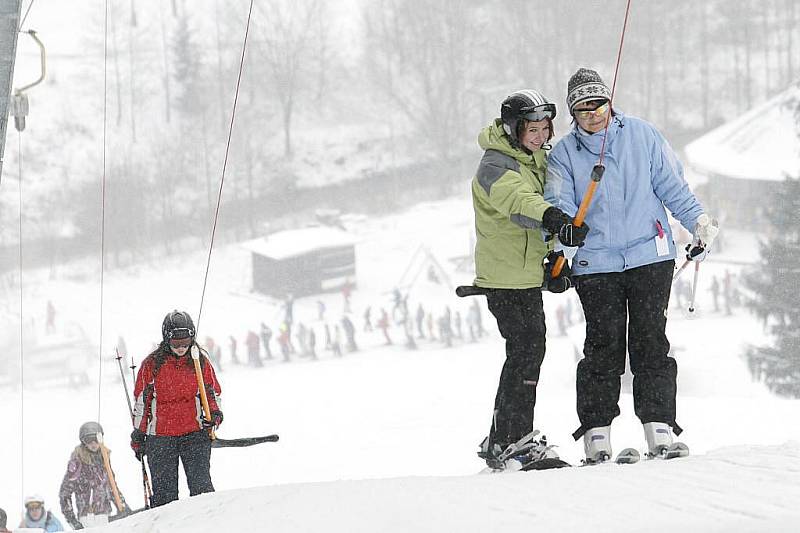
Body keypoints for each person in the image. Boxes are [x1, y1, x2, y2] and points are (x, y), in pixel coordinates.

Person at [546, 68, 718, 462]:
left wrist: (698, 222)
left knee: (650, 341)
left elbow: (671, 186)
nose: (593, 114)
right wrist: (562, 252)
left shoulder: (642, 134)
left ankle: (659, 427)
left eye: (598, 104)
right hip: (596, 263)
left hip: (649, 255)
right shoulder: (563, 154)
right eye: (583, 108)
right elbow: (560, 205)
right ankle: (597, 434)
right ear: (573, 114)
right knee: (603, 347)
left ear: (610, 102)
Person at [470, 90, 585, 470]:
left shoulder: (532, 158)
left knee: (526, 351)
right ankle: (512, 439)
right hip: (505, 278)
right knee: (526, 351)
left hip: (521, 275)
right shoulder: (495, 166)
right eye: (532, 129)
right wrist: (554, 218)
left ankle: (504, 437)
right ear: (512, 128)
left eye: (545, 128)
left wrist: (552, 261)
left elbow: (535, 217)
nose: (540, 136)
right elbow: (520, 203)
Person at [131, 310, 223, 507]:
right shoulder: (152, 364)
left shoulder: (199, 361)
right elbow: (142, 402)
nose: (181, 348)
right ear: (166, 339)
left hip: (194, 434)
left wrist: (215, 414)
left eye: (186, 342)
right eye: (176, 344)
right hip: (161, 437)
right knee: (165, 497)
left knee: (202, 490)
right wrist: (138, 435)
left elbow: (212, 392)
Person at [59, 421, 128, 529]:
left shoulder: (104, 458)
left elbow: (111, 485)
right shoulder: (77, 461)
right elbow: (65, 492)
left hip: (104, 513)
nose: (93, 443)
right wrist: (71, 519)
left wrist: (122, 505)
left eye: (96, 439)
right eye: (88, 440)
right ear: (83, 442)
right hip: (87, 515)